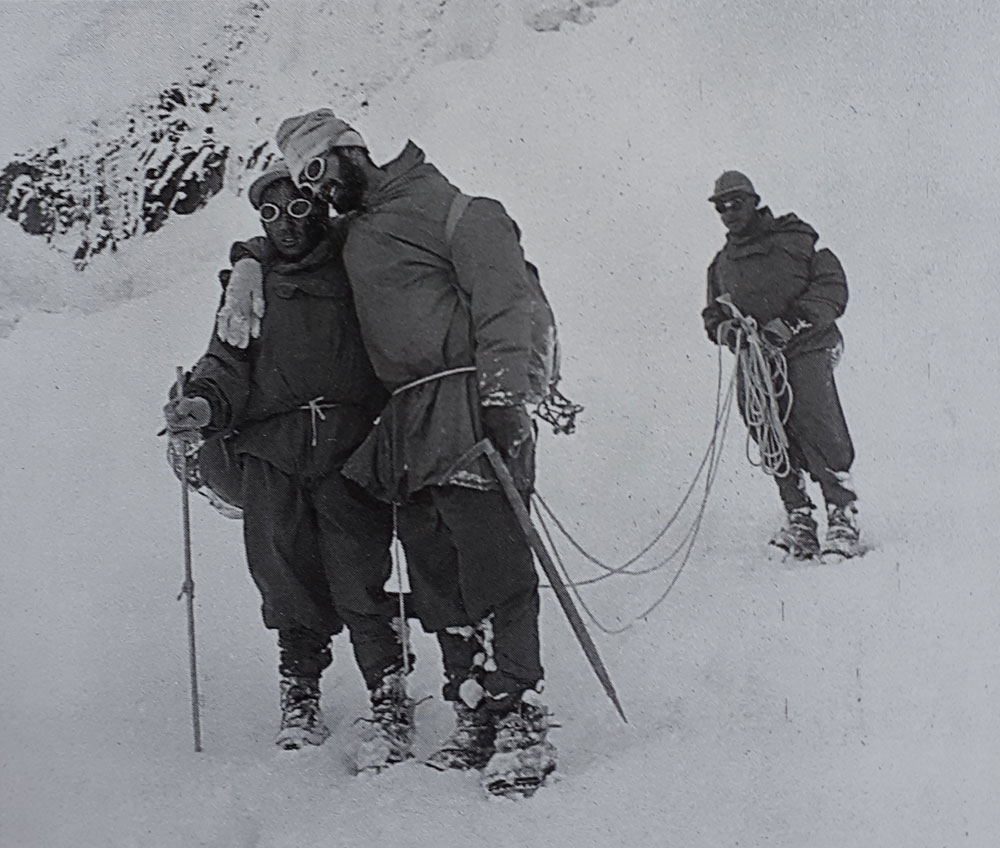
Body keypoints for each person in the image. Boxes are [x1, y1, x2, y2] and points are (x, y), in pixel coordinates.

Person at [218, 109, 556, 796]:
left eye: (317, 172)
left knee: (490, 557)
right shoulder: (353, 228)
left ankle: (517, 712)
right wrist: (247, 265)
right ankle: (473, 708)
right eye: (301, 180)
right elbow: (289, 242)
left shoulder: (456, 209)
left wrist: (502, 398)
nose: (314, 192)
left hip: (466, 402)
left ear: (351, 153)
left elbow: (505, 300)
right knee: (435, 570)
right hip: (405, 419)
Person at [163, 162, 415, 764]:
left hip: (347, 447)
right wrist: (201, 403)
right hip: (272, 451)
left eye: (299, 208)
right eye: (271, 214)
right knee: (283, 571)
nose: (287, 226)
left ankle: (388, 694)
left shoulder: (358, 269)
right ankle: (299, 693)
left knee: (357, 570)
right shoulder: (249, 286)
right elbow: (226, 360)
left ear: (320, 209)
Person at [701, 170, 862, 559]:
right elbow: (712, 315)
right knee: (766, 426)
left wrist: (791, 323)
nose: (728, 212)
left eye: (735, 203)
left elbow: (831, 288)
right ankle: (799, 517)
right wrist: (728, 332)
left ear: (754, 201)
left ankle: (842, 515)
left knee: (817, 421)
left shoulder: (798, 241)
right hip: (757, 358)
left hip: (806, 346)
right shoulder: (721, 265)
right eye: (721, 207)